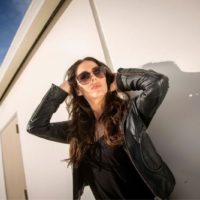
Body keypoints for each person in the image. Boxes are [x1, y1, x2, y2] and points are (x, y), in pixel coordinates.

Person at [27, 57, 175, 200]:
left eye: (98, 72)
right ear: (77, 90)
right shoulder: (76, 130)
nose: (93, 78)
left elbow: (158, 82)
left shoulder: (130, 113)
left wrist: (117, 80)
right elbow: (36, 126)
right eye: (84, 77)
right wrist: (61, 90)